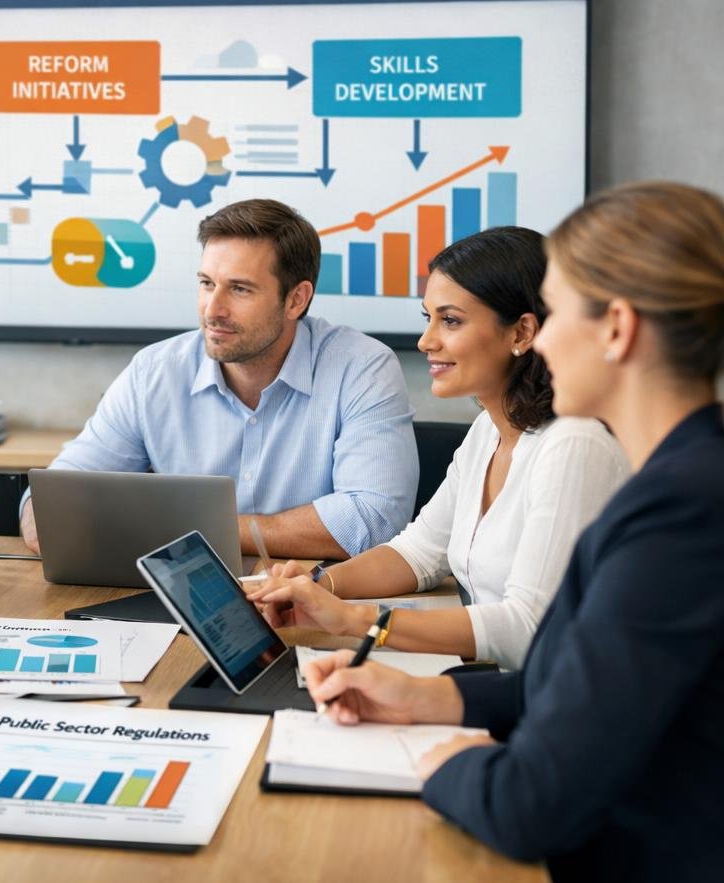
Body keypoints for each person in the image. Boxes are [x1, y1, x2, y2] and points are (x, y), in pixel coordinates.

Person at [303, 182, 724, 883]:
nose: (544, 337)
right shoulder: (678, 484)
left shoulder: (680, 513)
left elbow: (531, 803)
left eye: (556, 313)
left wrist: (442, 763)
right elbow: (584, 690)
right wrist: (430, 701)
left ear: (616, 328)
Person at [250, 228, 627, 669]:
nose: (427, 341)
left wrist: (355, 620)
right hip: (499, 682)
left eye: (450, 320)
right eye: (427, 317)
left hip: (554, 708)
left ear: (522, 332)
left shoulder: (574, 444)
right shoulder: (489, 428)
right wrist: (318, 586)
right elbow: (418, 552)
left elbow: (530, 628)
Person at [21, 198, 417, 558]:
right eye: (207, 284)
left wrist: (175, 531)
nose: (213, 309)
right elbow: (51, 505)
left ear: (296, 299)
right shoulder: (154, 371)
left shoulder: (362, 368)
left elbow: (374, 520)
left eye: (240, 289)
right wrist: (45, 521)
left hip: (313, 603)